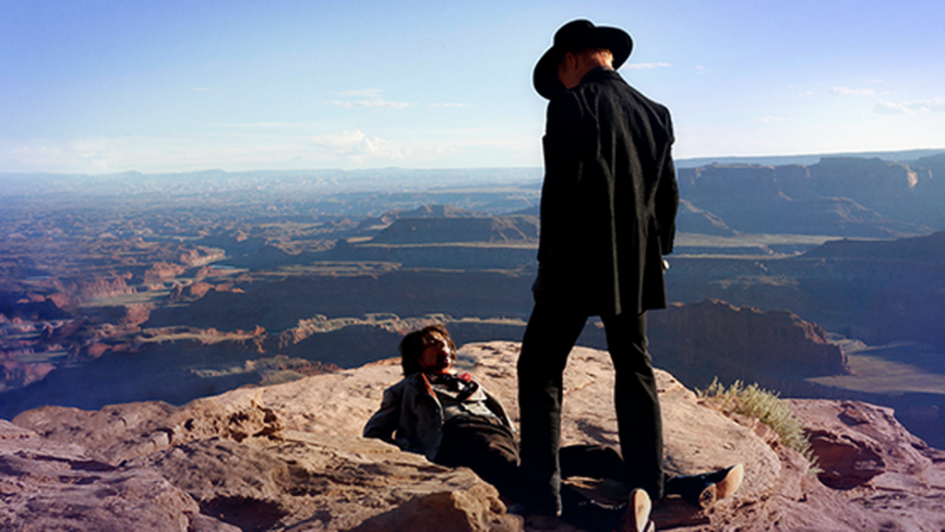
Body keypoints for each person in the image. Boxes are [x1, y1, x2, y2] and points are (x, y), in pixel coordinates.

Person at [517, 19, 680, 529]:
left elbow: (561, 192)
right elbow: (666, 194)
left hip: (576, 261)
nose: (560, 84)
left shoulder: (570, 105)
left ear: (570, 59)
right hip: (633, 263)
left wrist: (548, 266)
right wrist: (660, 252)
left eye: (559, 74)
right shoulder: (655, 112)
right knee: (635, 367)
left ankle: (542, 495)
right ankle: (648, 486)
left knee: (540, 368)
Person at [365, 325, 742, 532]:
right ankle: (609, 520)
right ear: (417, 357)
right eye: (433, 346)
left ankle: (687, 485)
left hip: (505, 442)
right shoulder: (405, 389)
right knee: (535, 477)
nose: (444, 349)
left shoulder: (470, 383)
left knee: (596, 454)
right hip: (462, 444)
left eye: (446, 344)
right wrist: (414, 459)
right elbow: (375, 434)